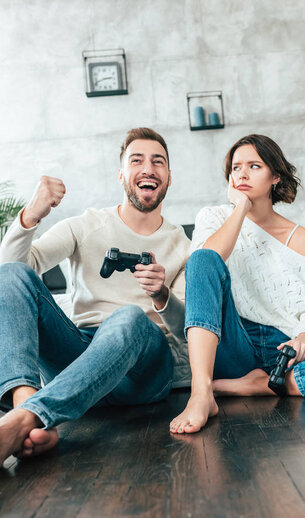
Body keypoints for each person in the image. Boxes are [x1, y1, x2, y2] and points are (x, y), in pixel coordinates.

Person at [170, 134, 305, 434]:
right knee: (201, 258)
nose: (243, 174)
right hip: (234, 341)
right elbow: (206, 264)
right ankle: (201, 393)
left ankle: (262, 385)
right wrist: (240, 209)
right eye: (236, 168)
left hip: (283, 352)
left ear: (275, 176)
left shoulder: (301, 237)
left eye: (254, 166)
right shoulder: (214, 216)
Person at [0, 127, 190, 465]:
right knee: (13, 275)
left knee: (129, 316)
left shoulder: (182, 245)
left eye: (157, 162)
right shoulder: (85, 225)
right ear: (121, 175)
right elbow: (11, 273)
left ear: (169, 177)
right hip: (81, 354)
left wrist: (161, 294)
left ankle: (29, 416)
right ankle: (26, 417)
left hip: (144, 369)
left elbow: (188, 331)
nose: (148, 168)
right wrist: (30, 216)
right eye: (137, 160)